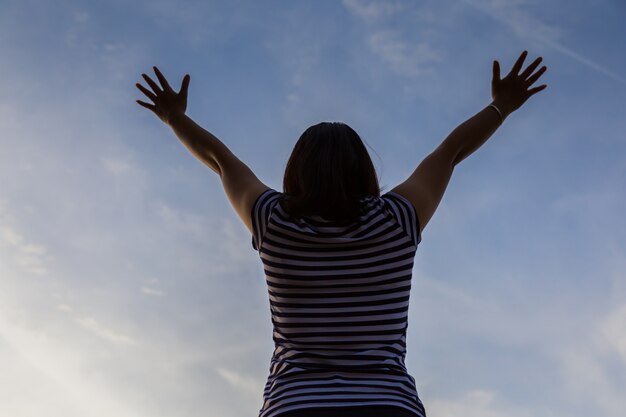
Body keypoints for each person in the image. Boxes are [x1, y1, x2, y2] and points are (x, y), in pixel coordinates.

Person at [135, 50, 548, 417]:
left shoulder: (274, 221)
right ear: (364, 169)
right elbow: (449, 153)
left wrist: (174, 117)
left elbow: (221, 160)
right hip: (387, 404)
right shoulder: (397, 219)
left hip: (295, 404)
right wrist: (501, 107)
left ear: (296, 170)